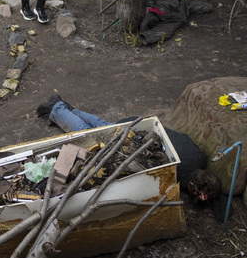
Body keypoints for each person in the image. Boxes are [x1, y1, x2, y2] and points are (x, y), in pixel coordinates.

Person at [35, 93, 230, 220]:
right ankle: (57, 108)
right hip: (131, 135)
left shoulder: (200, 157)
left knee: (103, 126)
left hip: (137, 124)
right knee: (90, 134)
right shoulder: (174, 170)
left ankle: (69, 110)